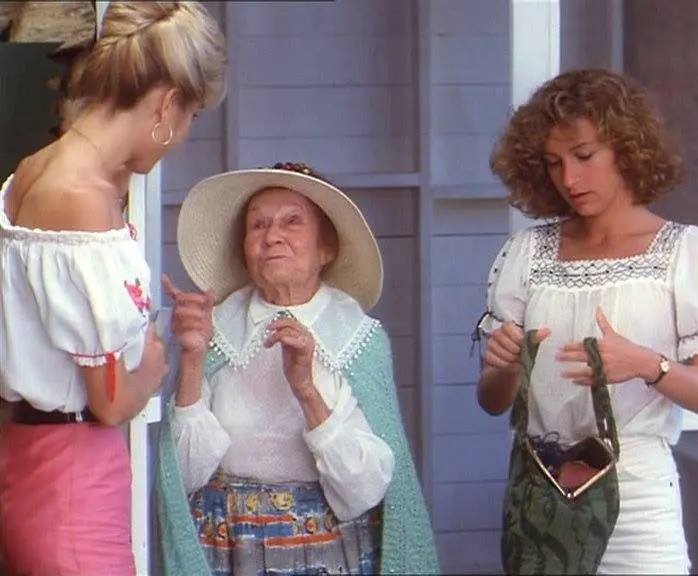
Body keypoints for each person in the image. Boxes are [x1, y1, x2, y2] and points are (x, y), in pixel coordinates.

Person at [477, 69, 698, 575]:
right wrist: (505, 365)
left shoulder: (687, 251)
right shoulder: (527, 253)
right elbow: (492, 401)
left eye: (584, 156)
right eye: (553, 164)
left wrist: (647, 364)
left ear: (626, 146)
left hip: (637, 498)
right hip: (543, 497)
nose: (569, 179)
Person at [0, 2, 226, 575]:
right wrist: (151, 369)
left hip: (36, 459)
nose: (181, 137)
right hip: (74, 474)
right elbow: (109, 402)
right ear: (167, 103)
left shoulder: (39, 168)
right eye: (191, 115)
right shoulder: (83, 199)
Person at [155, 162, 440, 576]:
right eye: (258, 226)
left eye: (292, 222)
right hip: (225, 548)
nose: (272, 236)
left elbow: (365, 490)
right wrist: (194, 357)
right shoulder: (215, 328)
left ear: (326, 249)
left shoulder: (357, 337)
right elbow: (184, 475)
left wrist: (305, 388)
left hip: (326, 551)